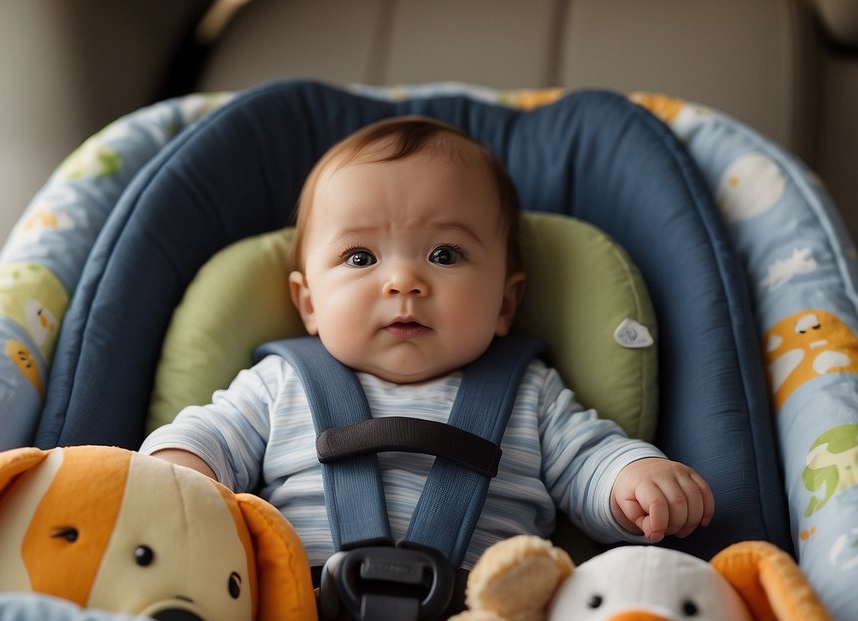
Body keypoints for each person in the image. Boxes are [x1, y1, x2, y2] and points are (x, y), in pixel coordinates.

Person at [142, 115, 714, 574]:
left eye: (445, 255)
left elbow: (588, 461)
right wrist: (175, 471)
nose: (404, 282)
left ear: (505, 304)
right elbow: (209, 439)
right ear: (309, 303)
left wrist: (635, 481)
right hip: (299, 620)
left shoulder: (530, 394)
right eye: (361, 257)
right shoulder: (277, 386)